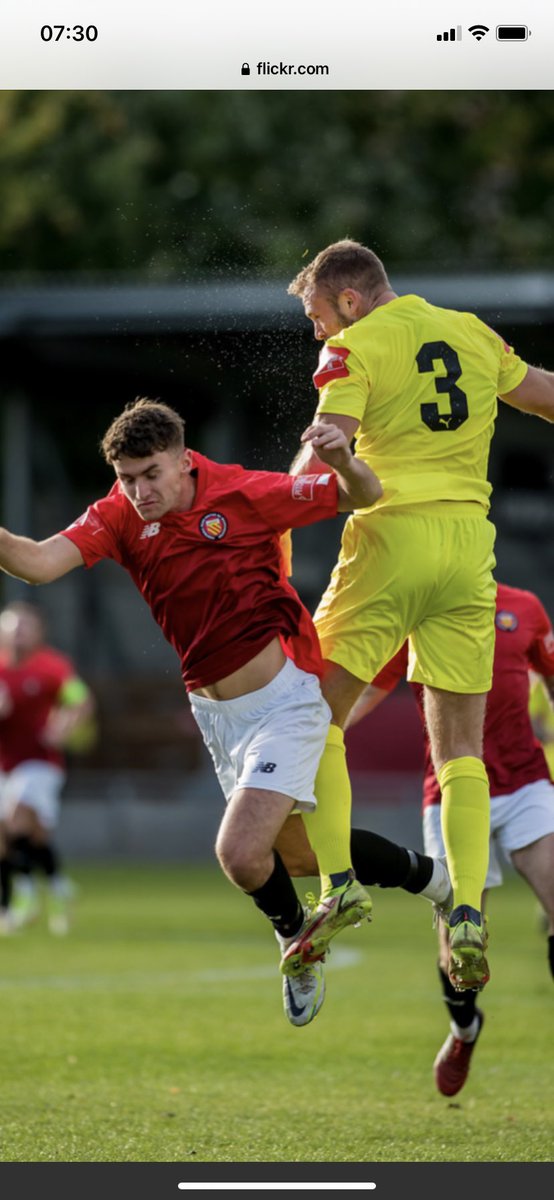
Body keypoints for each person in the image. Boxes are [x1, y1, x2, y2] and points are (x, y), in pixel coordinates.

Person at [0, 397, 390, 1026]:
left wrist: (344, 460)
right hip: (216, 717)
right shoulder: (119, 515)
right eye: (126, 479)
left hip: (286, 699)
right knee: (286, 858)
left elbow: (361, 496)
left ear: (184, 461)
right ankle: (424, 884)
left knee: (237, 853)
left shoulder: (241, 491)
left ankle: (299, 941)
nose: (138, 491)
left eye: (150, 474)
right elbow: (39, 563)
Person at [286, 238, 554, 991]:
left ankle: (338, 884)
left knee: (315, 718)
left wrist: (266, 507)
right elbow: (543, 396)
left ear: (349, 299)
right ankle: (467, 908)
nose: (318, 334)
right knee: (460, 749)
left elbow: (322, 465)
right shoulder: (471, 331)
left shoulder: (355, 348)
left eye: (317, 317)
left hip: (390, 542)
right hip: (469, 551)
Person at [345, 581, 554, 1096]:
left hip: (525, 784)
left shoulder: (523, 608)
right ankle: (465, 1029)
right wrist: (325, 731)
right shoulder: (421, 610)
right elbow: (376, 684)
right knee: (459, 944)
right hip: (450, 791)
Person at [0, 601, 95, 935]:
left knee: (17, 816)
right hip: (5, 762)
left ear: (39, 632)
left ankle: (23, 896)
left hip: (40, 762)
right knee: (31, 835)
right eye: (12, 625)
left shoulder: (52, 667)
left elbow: (81, 700)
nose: (18, 631)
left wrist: (64, 727)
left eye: (25, 625)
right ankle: (57, 888)